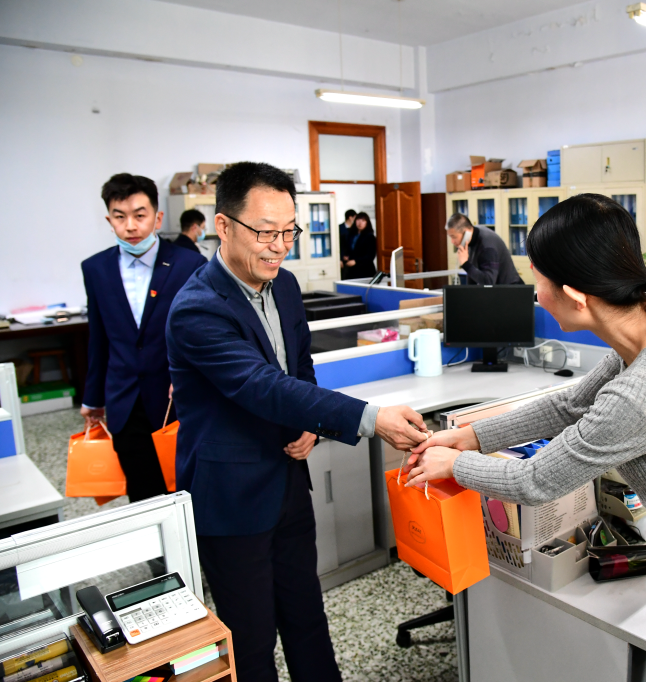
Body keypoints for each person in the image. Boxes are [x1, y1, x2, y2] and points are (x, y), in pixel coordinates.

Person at [407, 194, 646, 682]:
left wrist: (453, 466)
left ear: (575, 296)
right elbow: (569, 405)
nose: (535, 295)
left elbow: (534, 481)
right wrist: (469, 436)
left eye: (538, 280)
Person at [165, 162, 428, 682]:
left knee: (307, 617)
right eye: (266, 232)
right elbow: (261, 385)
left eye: (289, 231)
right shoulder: (197, 309)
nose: (280, 246)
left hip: (288, 480)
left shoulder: (283, 286)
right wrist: (371, 419)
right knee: (252, 639)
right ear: (224, 226)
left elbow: (297, 369)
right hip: (232, 496)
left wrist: (309, 423)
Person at [80, 173, 206, 502]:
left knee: (187, 490)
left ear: (157, 217)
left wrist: (191, 374)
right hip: (124, 399)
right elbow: (98, 337)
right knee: (142, 492)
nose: (130, 226)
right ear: (109, 220)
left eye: (139, 215)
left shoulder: (189, 264)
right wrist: (93, 399)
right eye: (120, 217)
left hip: (176, 396)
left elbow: (203, 332)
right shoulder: (95, 269)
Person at [445, 213, 523, 285]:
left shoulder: (487, 246)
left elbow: (488, 282)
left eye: (454, 237)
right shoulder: (471, 238)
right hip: (497, 291)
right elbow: (473, 278)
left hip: (511, 290)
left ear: (466, 233)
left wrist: (465, 264)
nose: (452, 241)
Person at [343, 211, 377, 280]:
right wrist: (346, 256)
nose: (360, 223)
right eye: (358, 220)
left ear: (367, 223)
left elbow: (370, 256)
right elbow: (348, 249)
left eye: (363, 221)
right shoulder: (351, 235)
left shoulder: (370, 237)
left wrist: (356, 261)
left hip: (364, 270)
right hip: (351, 270)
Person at [339, 208, 356, 277]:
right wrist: (340, 258)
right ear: (350, 217)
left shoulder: (355, 229)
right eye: (355, 217)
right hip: (342, 258)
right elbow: (338, 245)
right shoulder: (339, 228)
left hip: (353, 259)